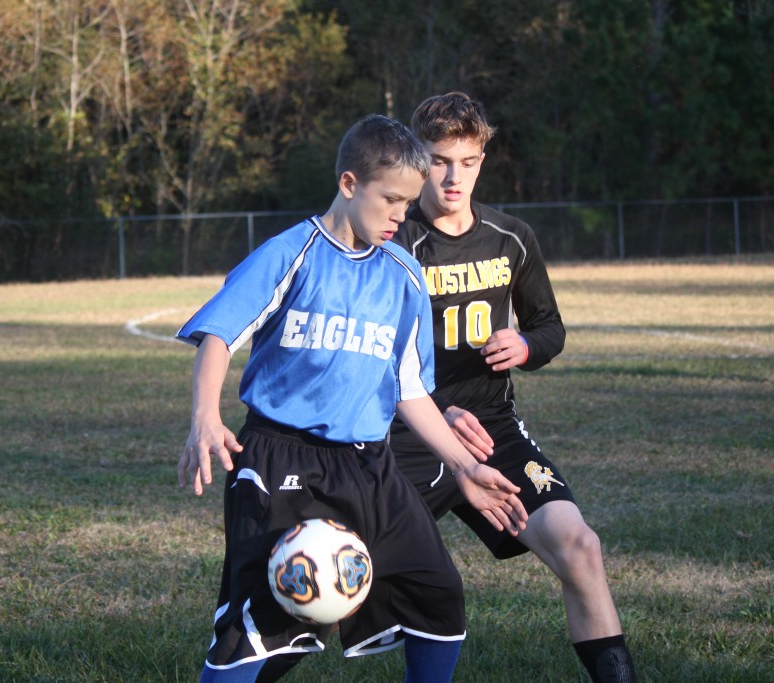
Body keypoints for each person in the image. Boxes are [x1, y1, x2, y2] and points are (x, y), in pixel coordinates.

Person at [175, 113, 528, 683]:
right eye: (389, 199)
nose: (400, 216)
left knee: (438, 596)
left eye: (408, 204)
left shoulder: (404, 275)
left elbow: (410, 390)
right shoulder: (292, 254)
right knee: (260, 631)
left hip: (371, 468)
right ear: (348, 184)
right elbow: (219, 336)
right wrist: (204, 418)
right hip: (282, 462)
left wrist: (464, 466)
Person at [388, 92, 638, 683]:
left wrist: (526, 347)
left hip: (494, 433)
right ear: (418, 159)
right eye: (439, 160)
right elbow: (369, 360)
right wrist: (434, 415)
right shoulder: (393, 242)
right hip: (405, 437)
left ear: (483, 159)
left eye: (468, 161)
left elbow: (550, 328)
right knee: (336, 575)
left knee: (580, 547)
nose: (453, 177)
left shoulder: (512, 239)